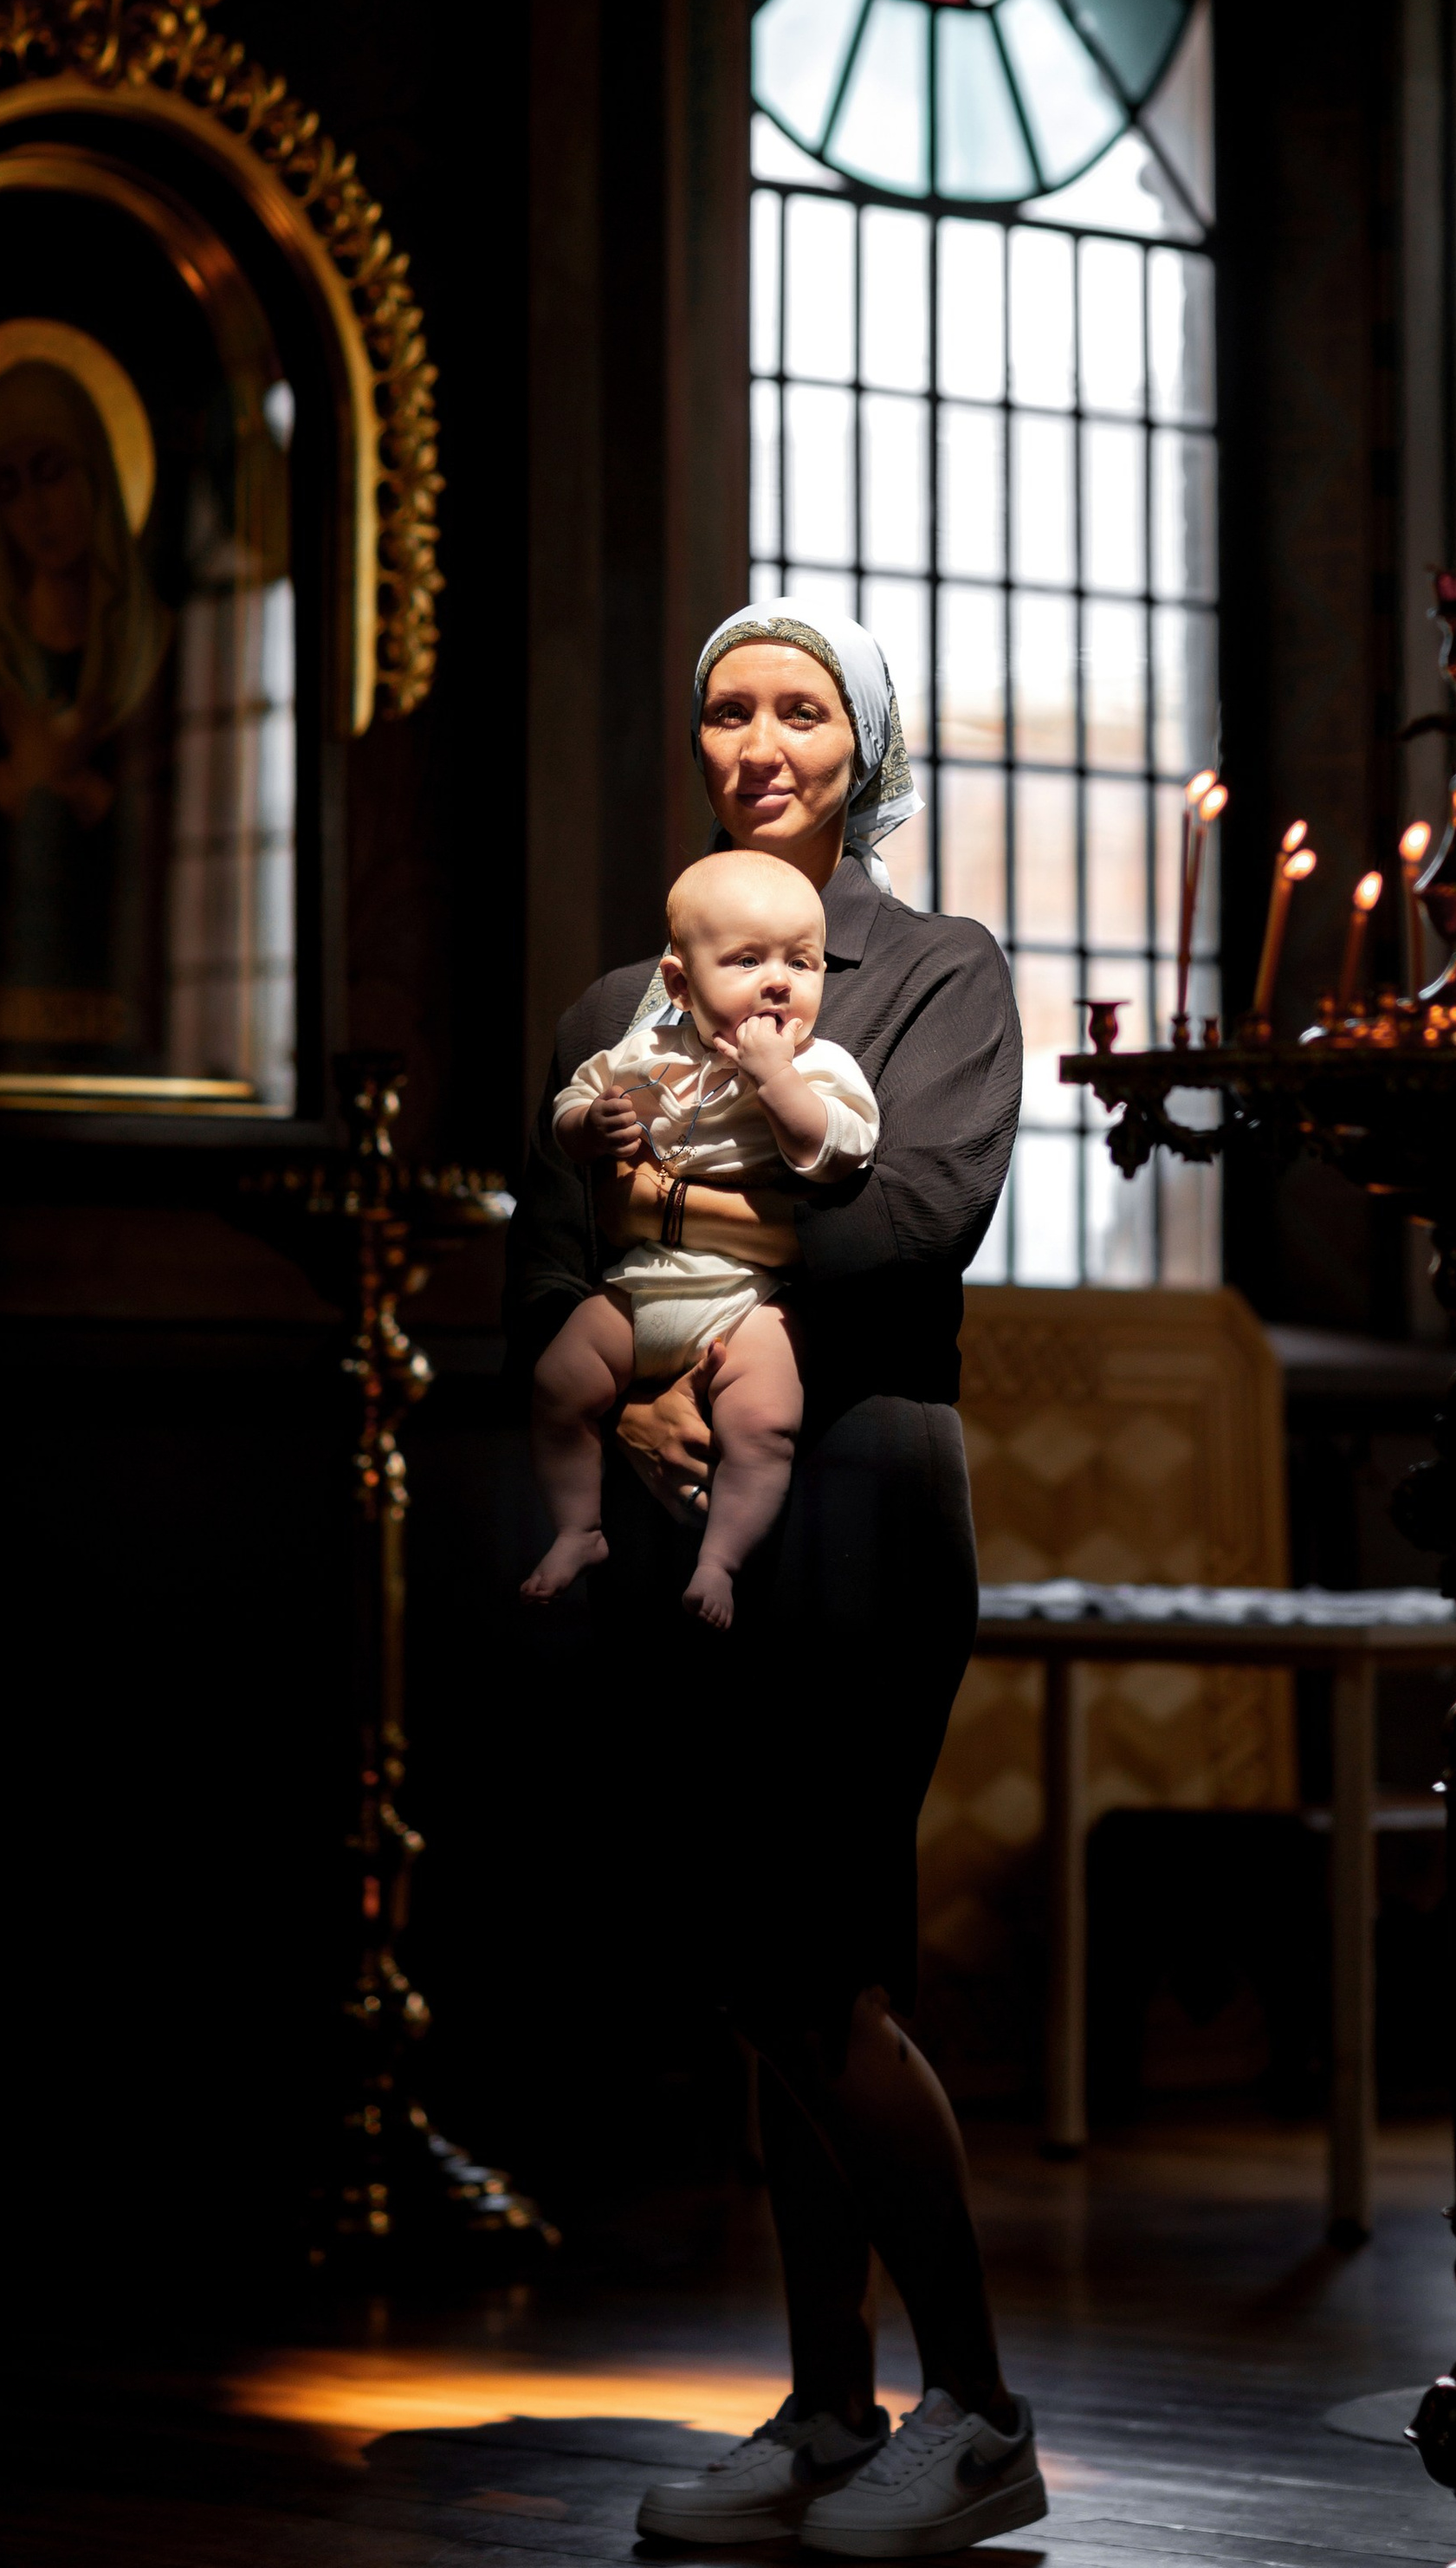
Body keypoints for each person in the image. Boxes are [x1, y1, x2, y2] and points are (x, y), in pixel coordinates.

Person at [508, 600, 1044, 2560]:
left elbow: (920, 1215)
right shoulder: (606, 1007)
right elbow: (536, 1274)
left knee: (815, 1965)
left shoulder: (936, 974)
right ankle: (830, 2404)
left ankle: (972, 2405)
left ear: (857, 745)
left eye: (798, 704)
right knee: (764, 1971)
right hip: (689, 1521)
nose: (756, 734)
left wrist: (701, 1259)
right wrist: (634, 1392)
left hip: (872, 1500)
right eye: (727, 702)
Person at [521, 846, 879, 1627]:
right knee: (558, 1382)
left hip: (750, 1299)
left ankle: (720, 1559)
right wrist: (593, 1124)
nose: (780, 980)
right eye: (748, 960)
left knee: (763, 1420)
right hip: (647, 1278)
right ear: (681, 984)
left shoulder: (820, 1065)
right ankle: (578, 1530)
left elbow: (839, 1150)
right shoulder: (644, 1049)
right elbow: (571, 1108)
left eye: (803, 962)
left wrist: (775, 1078)